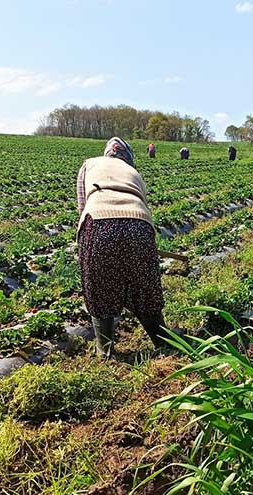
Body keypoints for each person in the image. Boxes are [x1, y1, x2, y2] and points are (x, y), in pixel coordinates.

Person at [76, 137, 168, 356]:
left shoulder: (90, 164)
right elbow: (142, 204)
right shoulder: (133, 173)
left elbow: (82, 205)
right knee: (145, 287)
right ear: (128, 157)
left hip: (98, 222)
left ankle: (104, 350)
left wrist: (86, 243)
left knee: (98, 286)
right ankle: (164, 343)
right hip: (139, 224)